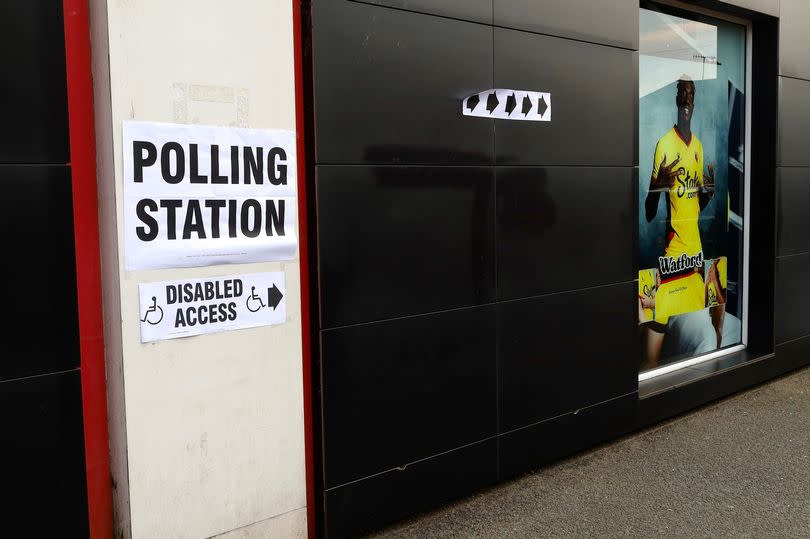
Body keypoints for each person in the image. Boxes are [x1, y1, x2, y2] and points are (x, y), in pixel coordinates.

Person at [640, 77, 717, 369]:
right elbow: (649, 212)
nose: (686, 99)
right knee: (655, 337)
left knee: (705, 329)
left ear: (695, 102)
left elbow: (694, 208)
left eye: (691, 94)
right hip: (672, 257)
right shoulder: (663, 145)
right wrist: (657, 187)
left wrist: (708, 196)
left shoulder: (697, 147)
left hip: (695, 257)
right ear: (676, 100)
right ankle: (650, 386)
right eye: (682, 93)